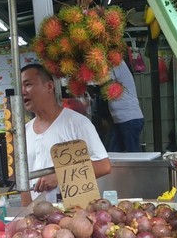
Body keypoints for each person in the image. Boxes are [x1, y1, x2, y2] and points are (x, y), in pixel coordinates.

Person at [20, 63, 111, 205]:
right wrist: (25, 213)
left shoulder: (77, 123)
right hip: (36, 218)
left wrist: (60, 176)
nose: (23, 91)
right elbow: (23, 180)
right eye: (20, 87)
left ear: (49, 87)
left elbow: (103, 165)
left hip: (71, 214)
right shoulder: (23, 132)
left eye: (28, 84)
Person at [107, 60, 144, 152]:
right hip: (119, 120)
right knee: (112, 154)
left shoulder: (117, 63)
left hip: (129, 119)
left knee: (132, 156)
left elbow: (101, 80)